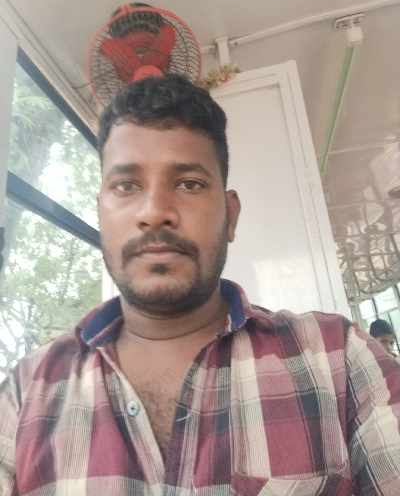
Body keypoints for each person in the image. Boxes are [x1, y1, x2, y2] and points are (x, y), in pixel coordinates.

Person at [1, 74, 400, 496]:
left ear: (231, 216)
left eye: (189, 184)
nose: (155, 212)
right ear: (101, 213)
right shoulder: (27, 392)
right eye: (126, 186)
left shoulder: (339, 360)